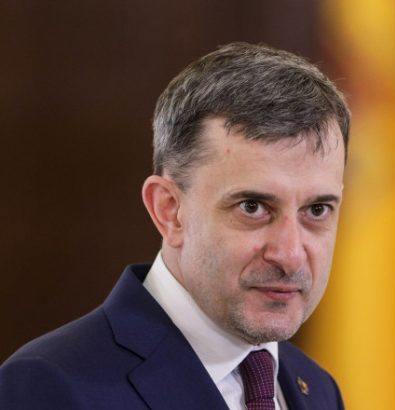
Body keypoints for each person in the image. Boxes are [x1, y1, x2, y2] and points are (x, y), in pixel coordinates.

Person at [0, 42, 350, 409]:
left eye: (317, 210)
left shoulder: (318, 389)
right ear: (169, 210)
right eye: (253, 207)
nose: (290, 255)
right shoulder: (49, 387)